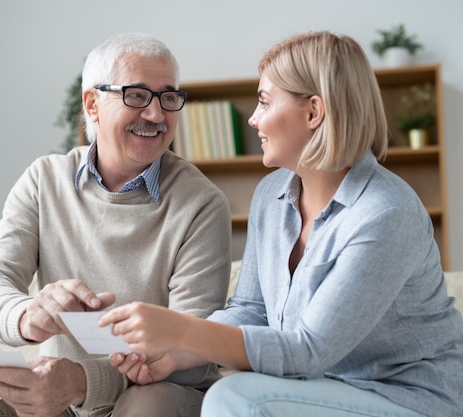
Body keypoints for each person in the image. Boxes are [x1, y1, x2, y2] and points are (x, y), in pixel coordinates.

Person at [100, 31, 463, 417]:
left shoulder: (385, 213)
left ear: (313, 113)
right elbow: (252, 309)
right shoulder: (271, 195)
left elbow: (308, 350)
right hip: (317, 390)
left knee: (234, 397)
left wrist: (178, 330)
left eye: (264, 101)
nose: (254, 119)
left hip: (407, 400)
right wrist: (175, 353)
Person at [0, 32, 232, 417]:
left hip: (152, 393)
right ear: (92, 104)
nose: (157, 115)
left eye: (169, 97)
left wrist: (81, 381)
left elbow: (192, 349)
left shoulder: (203, 203)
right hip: (57, 397)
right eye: (137, 95)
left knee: (150, 405)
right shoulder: (44, 179)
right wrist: (28, 316)